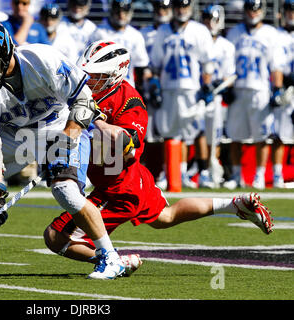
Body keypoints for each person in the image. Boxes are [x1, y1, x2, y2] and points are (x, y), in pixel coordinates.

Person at [43, 40, 274, 276]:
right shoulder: (86, 91)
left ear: (115, 74)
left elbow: (128, 147)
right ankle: (234, 205)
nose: (90, 80)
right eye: (88, 74)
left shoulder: (129, 101)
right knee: (165, 216)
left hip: (119, 187)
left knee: (56, 237)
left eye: (98, 75)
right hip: (130, 179)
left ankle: (114, 261)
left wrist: (97, 122)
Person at [0, 20, 126, 279]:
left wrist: (64, 141)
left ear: (2, 55)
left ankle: (110, 256)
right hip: (16, 136)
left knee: (65, 191)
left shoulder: (42, 59)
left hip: (61, 127)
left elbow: (84, 101)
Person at [149, 0, 215, 189]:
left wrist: (207, 85)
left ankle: (202, 173)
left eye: (184, 6)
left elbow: (207, 61)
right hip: (169, 88)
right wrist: (154, 83)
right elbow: (156, 63)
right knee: (170, 132)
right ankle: (175, 171)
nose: (181, 10)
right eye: (178, 6)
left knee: (197, 130)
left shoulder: (199, 30)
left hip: (192, 88)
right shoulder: (163, 31)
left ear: (190, 8)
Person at [224, 0, 286, 190]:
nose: (253, 13)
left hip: (260, 91)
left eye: (256, 9)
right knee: (235, 136)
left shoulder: (270, 34)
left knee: (262, 136)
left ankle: (259, 175)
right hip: (239, 89)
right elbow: (228, 64)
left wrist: (277, 88)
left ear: (262, 11)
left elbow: (276, 65)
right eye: (250, 9)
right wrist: (228, 87)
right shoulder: (235, 32)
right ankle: (236, 175)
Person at [200, 4, 236, 188]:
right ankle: (203, 170)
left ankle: (216, 170)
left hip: (216, 96)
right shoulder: (198, 40)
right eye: (206, 19)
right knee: (199, 134)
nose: (209, 23)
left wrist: (217, 85)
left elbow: (230, 75)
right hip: (198, 93)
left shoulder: (226, 46)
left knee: (216, 135)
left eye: (212, 19)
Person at [139, 0, 171, 188]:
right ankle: (147, 172)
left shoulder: (172, 32)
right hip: (147, 86)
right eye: (159, 7)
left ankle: (165, 172)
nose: (162, 11)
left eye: (165, 7)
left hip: (167, 86)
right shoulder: (144, 33)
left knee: (166, 131)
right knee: (146, 132)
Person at [89, 0, 150, 92]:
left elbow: (141, 66)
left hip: (127, 87)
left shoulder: (136, 35)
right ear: (112, 11)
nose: (121, 15)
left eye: (125, 11)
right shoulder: (99, 33)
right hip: (103, 88)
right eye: (118, 11)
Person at [270, 0, 294, 188]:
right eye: (289, 10)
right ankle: (278, 174)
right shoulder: (276, 35)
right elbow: (275, 64)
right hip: (286, 86)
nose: (291, 13)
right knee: (280, 132)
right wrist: (278, 88)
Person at [56, 0, 97, 64]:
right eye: (74, 4)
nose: (77, 8)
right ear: (68, 5)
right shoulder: (59, 24)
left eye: (81, 5)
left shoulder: (92, 28)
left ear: (87, 7)